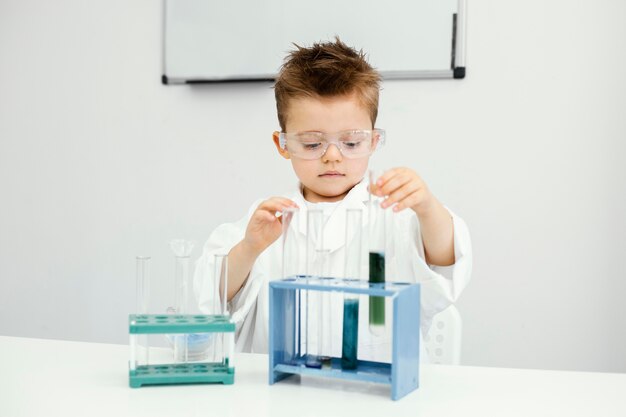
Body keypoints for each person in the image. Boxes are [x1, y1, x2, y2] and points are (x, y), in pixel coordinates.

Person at [193, 38, 472, 360]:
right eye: (312, 144)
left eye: (351, 143)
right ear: (282, 143)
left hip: (375, 393)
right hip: (280, 394)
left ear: (374, 140)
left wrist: (426, 207)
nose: (332, 157)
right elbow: (208, 300)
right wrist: (249, 248)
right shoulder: (265, 219)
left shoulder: (394, 213)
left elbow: (444, 264)